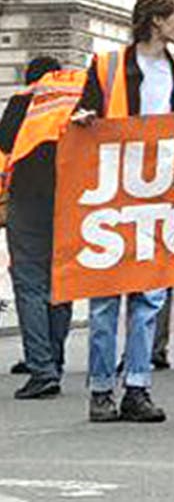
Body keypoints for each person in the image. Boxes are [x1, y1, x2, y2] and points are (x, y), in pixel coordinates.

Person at [69, 0, 174, 423]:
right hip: (112, 194)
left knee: (149, 297)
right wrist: (82, 120)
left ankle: (136, 386)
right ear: (155, 20)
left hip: (160, 194)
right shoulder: (106, 64)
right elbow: (85, 114)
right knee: (105, 299)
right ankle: (102, 390)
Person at [0, 56, 84, 399]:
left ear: (30, 78)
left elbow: (4, 149)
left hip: (28, 198)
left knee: (30, 284)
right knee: (59, 283)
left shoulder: (22, 102)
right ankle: (56, 360)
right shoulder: (77, 99)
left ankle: (42, 368)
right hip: (71, 199)